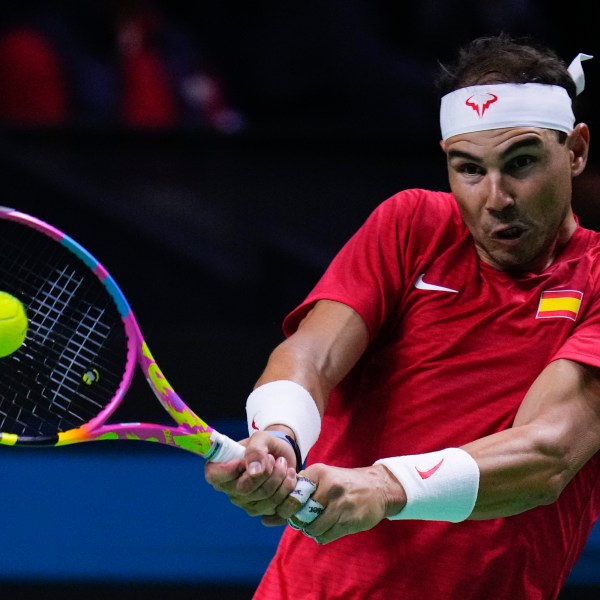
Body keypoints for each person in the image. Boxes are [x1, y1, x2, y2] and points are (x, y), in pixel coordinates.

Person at [204, 34, 600, 599]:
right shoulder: (411, 226)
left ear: (577, 150)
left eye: (522, 163)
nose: (495, 197)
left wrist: (388, 486)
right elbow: (311, 354)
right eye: (469, 168)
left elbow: (545, 455)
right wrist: (280, 434)